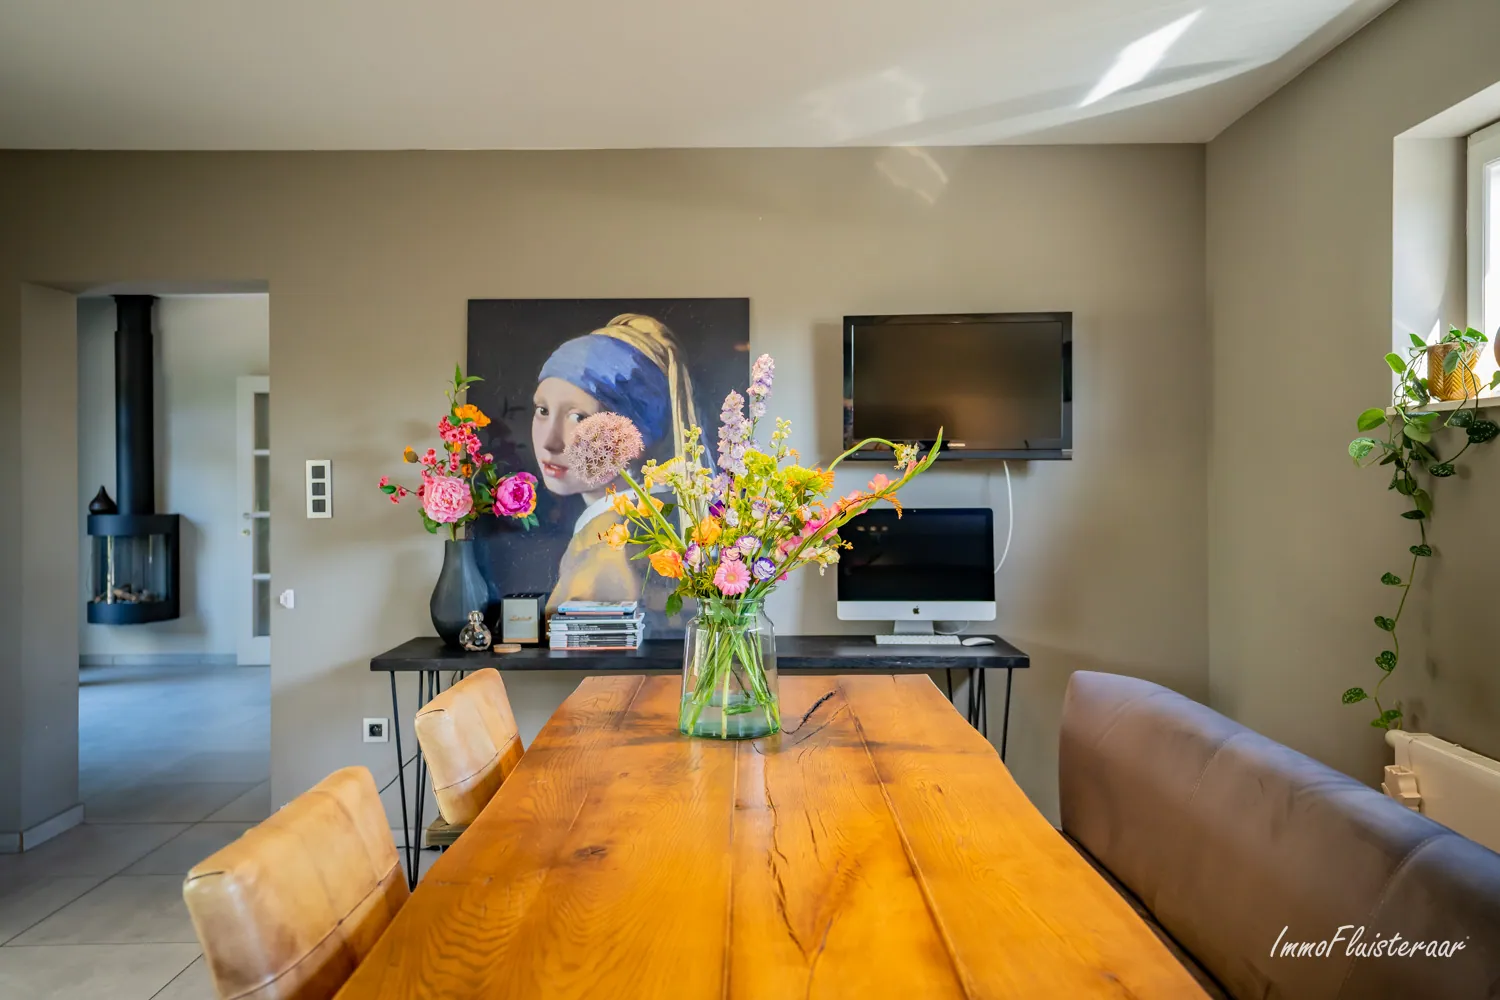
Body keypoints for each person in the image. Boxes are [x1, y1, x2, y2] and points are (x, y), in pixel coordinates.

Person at [531, 314, 703, 626]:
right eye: (542, 410)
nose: (550, 442)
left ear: (634, 434)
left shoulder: (608, 549)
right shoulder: (624, 526)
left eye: (579, 417)